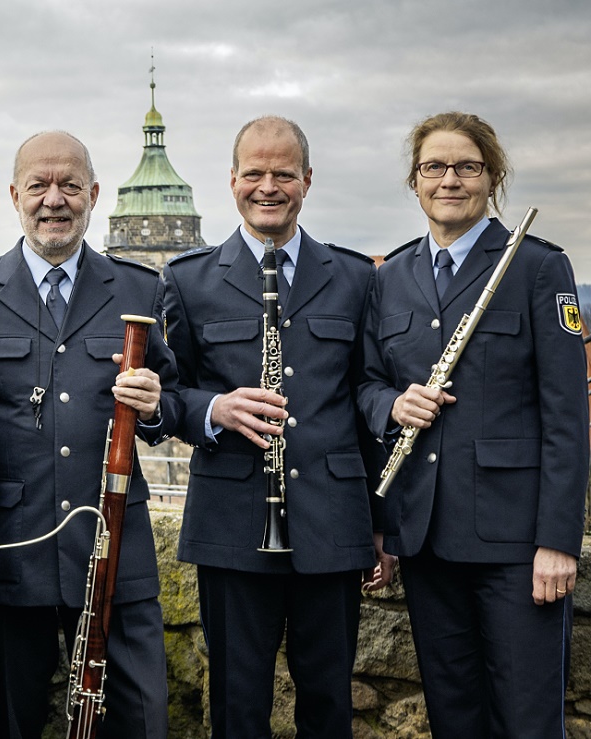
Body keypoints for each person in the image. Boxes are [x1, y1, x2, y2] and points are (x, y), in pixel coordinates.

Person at [0, 130, 177, 739]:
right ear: (15, 194)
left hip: (118, 547)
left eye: (70, 185)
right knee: (13, 724)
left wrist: (154, 408)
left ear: (93, 194)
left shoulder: (140, 288)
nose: (54, 199)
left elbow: (172, 405)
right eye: (39, 184)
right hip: (10, 552)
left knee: (142, 720)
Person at [357, 111, 587, 738]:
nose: (449, 179)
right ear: (416, 180)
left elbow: (568, 415)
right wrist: (392, 406)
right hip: (427, 539)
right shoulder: (392, 276)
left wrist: (558, 540)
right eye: (434, 167)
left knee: (528, 720)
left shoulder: (538, 267)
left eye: (467, 167)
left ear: (492, 177)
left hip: (516, 545)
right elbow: (368, 387)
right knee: (454, 716)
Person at [162, 115, 394, 737]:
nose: (269, 186)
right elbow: (165, 396)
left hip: (334, 521)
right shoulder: (187, 280)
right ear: (232, 180)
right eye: (255, 173)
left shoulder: (354, 277)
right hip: (232, 525)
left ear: (307, 181)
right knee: (238, 707)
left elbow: (367, 398)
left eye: (284, 174)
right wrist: (215, 409)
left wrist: (380, 522)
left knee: (329, 704)